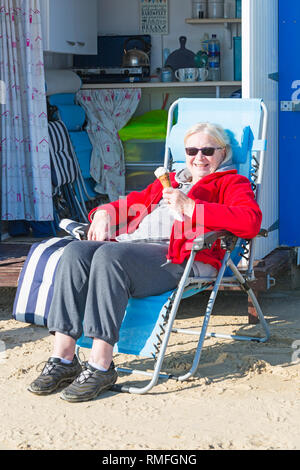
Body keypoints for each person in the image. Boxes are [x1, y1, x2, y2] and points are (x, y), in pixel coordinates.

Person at [28, 122, 262, 403]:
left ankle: (101, 364)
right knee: (76, 251)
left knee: (108, 255)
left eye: (208, 150)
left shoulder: (231, 182)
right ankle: (64, 358)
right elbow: (129, 204)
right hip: (133, 248)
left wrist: (190, 207)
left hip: (180, 256)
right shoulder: (172, 180)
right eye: (192, 150)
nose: (199, 157)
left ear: (222, 153)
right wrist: (103, 214)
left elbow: (249, 222)